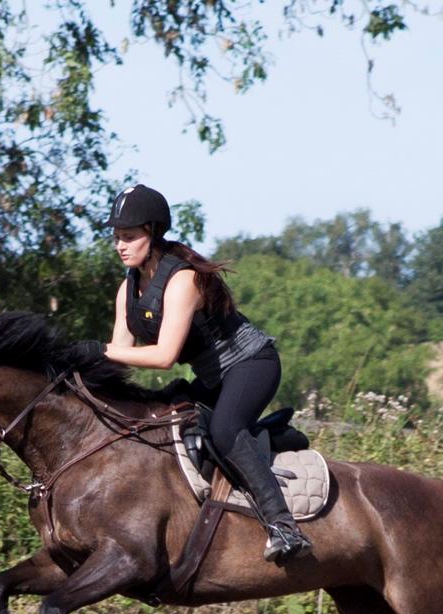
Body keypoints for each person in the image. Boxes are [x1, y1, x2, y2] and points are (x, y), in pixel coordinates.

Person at [70, 184, 312, 565]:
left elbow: (164, 356)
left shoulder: (183, 281)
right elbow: (119, 358)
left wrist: (97, 348)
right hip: (214, 378)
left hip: (252, 364)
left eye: (130, 237)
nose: (121, 246)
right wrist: (73, 370)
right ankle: (270, 436)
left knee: (225, 430)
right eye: (117, 238)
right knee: (161, 416)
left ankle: (283, 525)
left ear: (153, 233)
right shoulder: (127, 289)